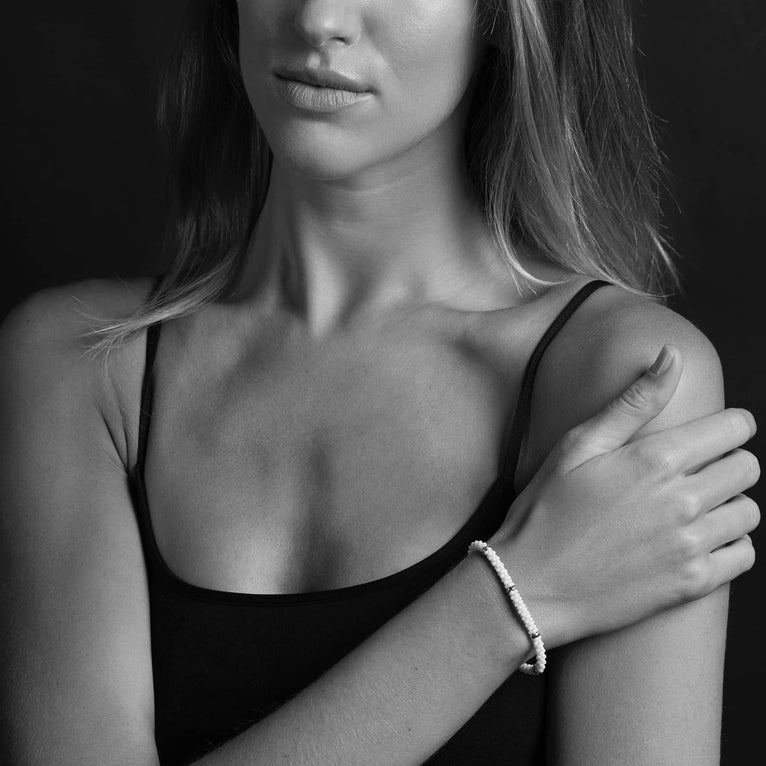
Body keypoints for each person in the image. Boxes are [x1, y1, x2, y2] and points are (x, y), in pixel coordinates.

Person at [0, 1, 760, 764]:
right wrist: (512, 598)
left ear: (501, 17)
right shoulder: (80, 364)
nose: (319, 17)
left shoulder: (619, 381)